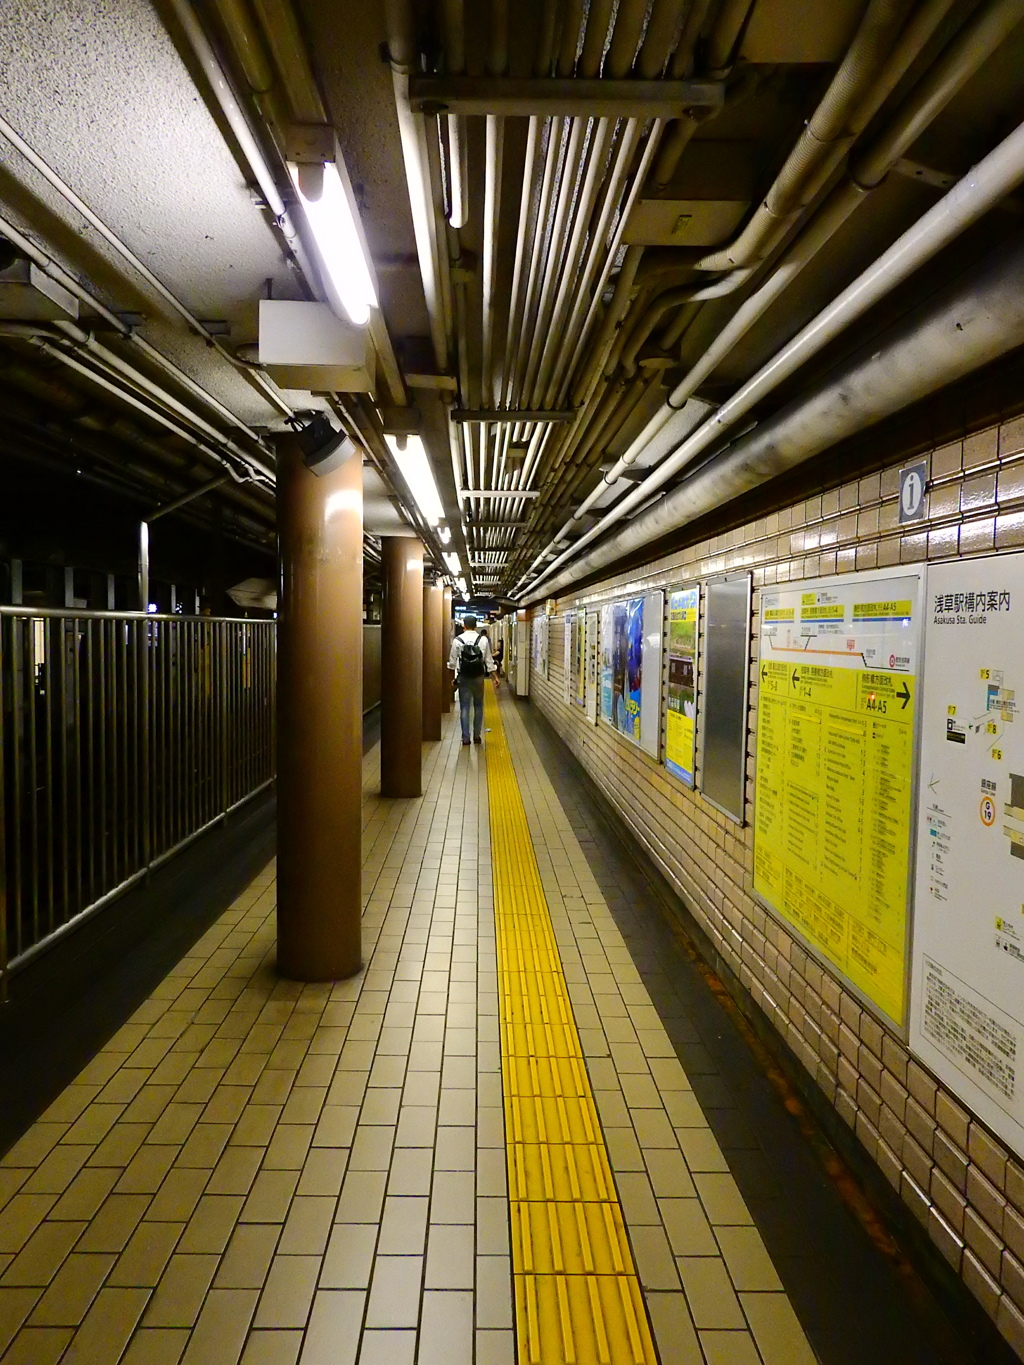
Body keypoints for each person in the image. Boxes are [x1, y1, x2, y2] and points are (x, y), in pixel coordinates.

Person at [448, 614, 497, 745]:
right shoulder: (483, 640)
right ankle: (477, 736)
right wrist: (494, 677)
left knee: (464, 707)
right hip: (478, 676)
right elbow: (488, 660)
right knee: (478, 705)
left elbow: (452, 663)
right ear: (476, 626)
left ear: (464, 625)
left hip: (463, 676)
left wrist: (451, 679)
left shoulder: (457, 640)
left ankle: (465, 738)